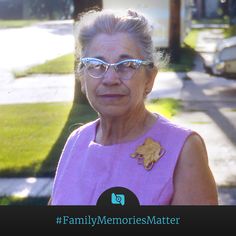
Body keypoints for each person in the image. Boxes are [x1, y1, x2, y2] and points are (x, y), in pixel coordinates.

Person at [50, 9, 218, 205]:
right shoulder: (76, 141)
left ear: (150, 78)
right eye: (97, 64)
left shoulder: (183, 150)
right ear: (82, 78)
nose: (110, 79)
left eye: (127, 65)